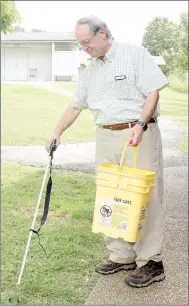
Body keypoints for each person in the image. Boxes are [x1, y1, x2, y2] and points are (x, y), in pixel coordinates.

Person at [45, 15, 169, 288]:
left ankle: (151, 261)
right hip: (105, 135)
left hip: (138, 133)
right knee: (111, 196)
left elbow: (152, 92)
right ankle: (121, 254)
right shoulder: (90, 70)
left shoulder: (134, 54)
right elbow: (76, 104)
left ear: (103, 33)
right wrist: (57, 131)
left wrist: (140, 123)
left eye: (86, 42)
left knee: (145, 197)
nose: (84, 48)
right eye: (80, 44)